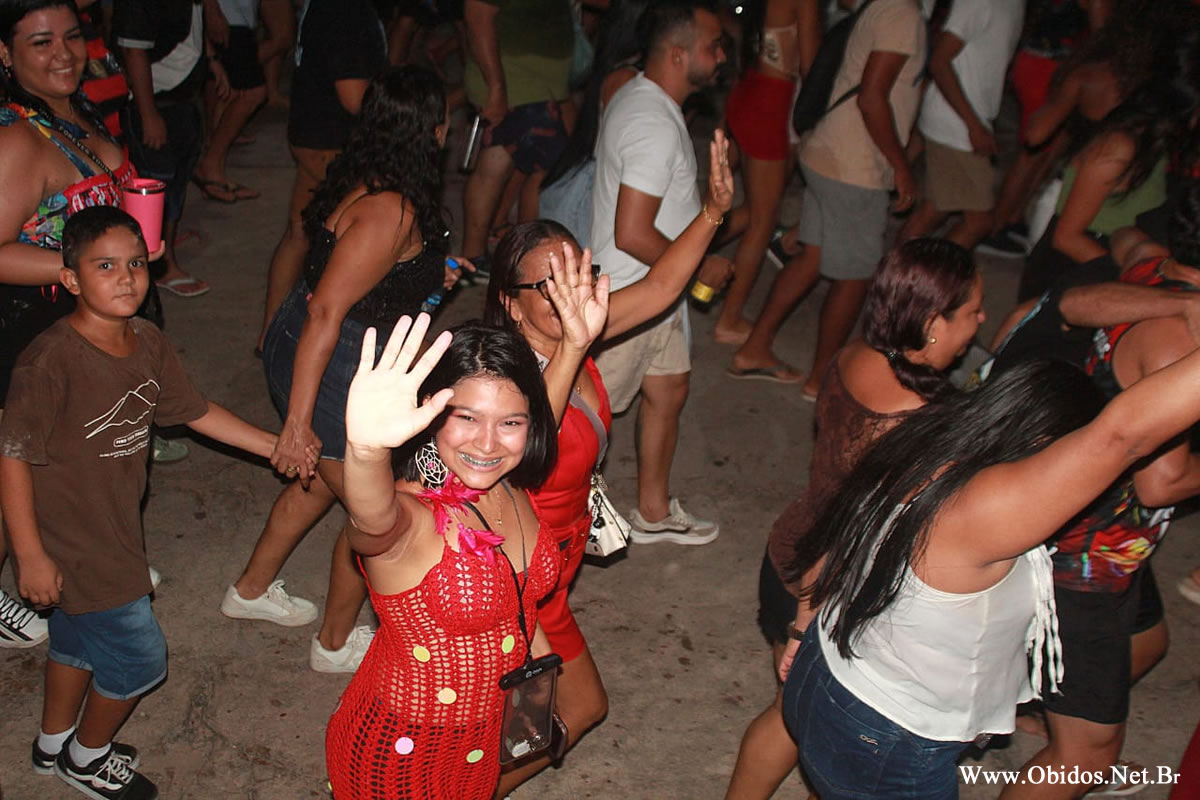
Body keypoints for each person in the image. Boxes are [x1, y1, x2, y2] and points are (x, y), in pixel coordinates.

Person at [779, 344, 1200, 796]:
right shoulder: (987, 509)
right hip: (886, 734)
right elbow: (1121, 437)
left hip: (826, 670)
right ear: (1044, 444)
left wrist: (801, 630)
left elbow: (832, 541)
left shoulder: (925, 446)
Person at [0, 206, 298, 800]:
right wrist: (29, 555)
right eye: (105, 266)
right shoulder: (49, 362)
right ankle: (86, 758)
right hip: (74, 537)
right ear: (70, 279)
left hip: (112, 522)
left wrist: (275, 445)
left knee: (76, 643)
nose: (126, 278)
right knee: (140, 660)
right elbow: (11, 457)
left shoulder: (147, 340)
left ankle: (53, 744)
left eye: (135, 264)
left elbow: (194, 410)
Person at [483, 129, 734, 793]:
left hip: (559, 562)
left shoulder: (576, 327)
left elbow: (663, 285)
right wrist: (575, 343)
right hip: (518, 576)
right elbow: (526, 452)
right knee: (577, 707)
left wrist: (713, 211)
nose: (572, 293)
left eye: (580, 274)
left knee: (518, 723)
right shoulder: (499, 383)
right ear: (510, 303)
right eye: (549, 284)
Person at [724, 238, 984, 800]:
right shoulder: (924, 425)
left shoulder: (856, 354)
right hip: (831, 595)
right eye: (973, 312)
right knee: (825, 739)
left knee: (790, 717)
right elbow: (855, 537)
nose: (982, 322)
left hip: (788, 551)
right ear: (933, 324)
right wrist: (804, 627)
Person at [223, 66, 451, 675]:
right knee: (377, 518)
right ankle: (333, 643)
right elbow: (328, 309)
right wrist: (297, 423)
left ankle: (249, 590)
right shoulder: (391, 210)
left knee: (321, 483)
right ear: (433, 130)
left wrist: (428, 274)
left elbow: (349, 283)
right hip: (333, 361)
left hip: (308, 337)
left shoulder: (366, 176)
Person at [1002, 184, 1200, 799]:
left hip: (1111, 536)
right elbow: (1162, 482)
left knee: (1148, 643)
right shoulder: (1181, 345)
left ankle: (1049, 721)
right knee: (1086, 758)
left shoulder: (1150, 267)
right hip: (1088, 556)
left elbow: (1122, 236)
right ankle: (1073, 752)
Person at [324, 317, 560, 799]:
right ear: (430, 413)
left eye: (510, 423)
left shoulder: (508, 486)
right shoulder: (413, 518)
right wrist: (366, 452)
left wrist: (574, 344)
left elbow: (520, 601)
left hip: (482, 742)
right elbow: (373, 524)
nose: (487, 443)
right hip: (398, 755)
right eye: (466, 418)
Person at [0, 0, 139, 648]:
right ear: (5, 54)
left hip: (83, 326)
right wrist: (86, 267)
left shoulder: (70, 110)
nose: (63, 53)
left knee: (71, 463)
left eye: (72, 36)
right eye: (40, 42)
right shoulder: (16, 139)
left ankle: (83, 566)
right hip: (32, 330)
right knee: (19, 469)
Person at [729, 0, 926, 398]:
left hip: (829, 148)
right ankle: (822, 378)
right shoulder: (901, 14)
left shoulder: (882, 6)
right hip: (854, 164)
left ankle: (754, 348)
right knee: (854, 276)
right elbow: (871, 97)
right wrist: (900, 165)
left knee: (811, 258)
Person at [589, 0, 729, 544]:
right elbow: (632, 232)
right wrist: (699, 263)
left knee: (668, 391)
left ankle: (652, 510)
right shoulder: (654, 125)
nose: (722, 56)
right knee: (586, 418)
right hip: (634, 292)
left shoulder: (643, 99)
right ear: (678, 54)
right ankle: (554, 519)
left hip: (658, 291)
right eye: (713, 46)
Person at [1018, 16, 1200, 302]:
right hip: (1070, 278)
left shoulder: (1159, 141)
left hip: (1108, 265)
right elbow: (1066, 238)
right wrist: (1139, 278)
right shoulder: (1120, 148)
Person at [255, 0, 388, 350]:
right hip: (332, 142)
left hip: (312, 131)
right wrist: (398, 100)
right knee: (343, 244)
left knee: (299, 233)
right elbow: (354, 96)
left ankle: (270, 335)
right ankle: (320, 340)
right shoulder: (347, 11)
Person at [714, 0, 819, 344]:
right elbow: (811, 66)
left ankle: (685, 261)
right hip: (771, 102)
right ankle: (729, 318)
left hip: (747, 89)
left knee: (742, 206)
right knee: (764, 220)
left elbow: (730, 18)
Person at [897, 0, 1024, 249]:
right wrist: (973, 125)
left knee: (935, 209)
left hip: (966, 117)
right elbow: (939, 61)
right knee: (979, 222)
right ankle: (930, 272)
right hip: (956, 123)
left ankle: (900, 269)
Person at [113, 0, 219, 297]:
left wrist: (211, 63)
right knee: (151, 191)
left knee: (174, 189)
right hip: (155, 100)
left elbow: (191, 33)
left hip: (182, 100)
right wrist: (148, 114)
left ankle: (164, 259)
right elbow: (133, 50)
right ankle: (148, 268)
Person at [459, 0, 574, 272]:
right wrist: (496, 87)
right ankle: (521, 258)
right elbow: (477, 13)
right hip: (515, 82)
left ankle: (485, 253)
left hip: (529, 83)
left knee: (505, 164)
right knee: (542, 169)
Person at [192, 0, 266, 202]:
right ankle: (210, 166)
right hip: (229, 16)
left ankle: (214, 170)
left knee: (230, 91)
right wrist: (212, 9)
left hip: (238, 16)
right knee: (253, 93)